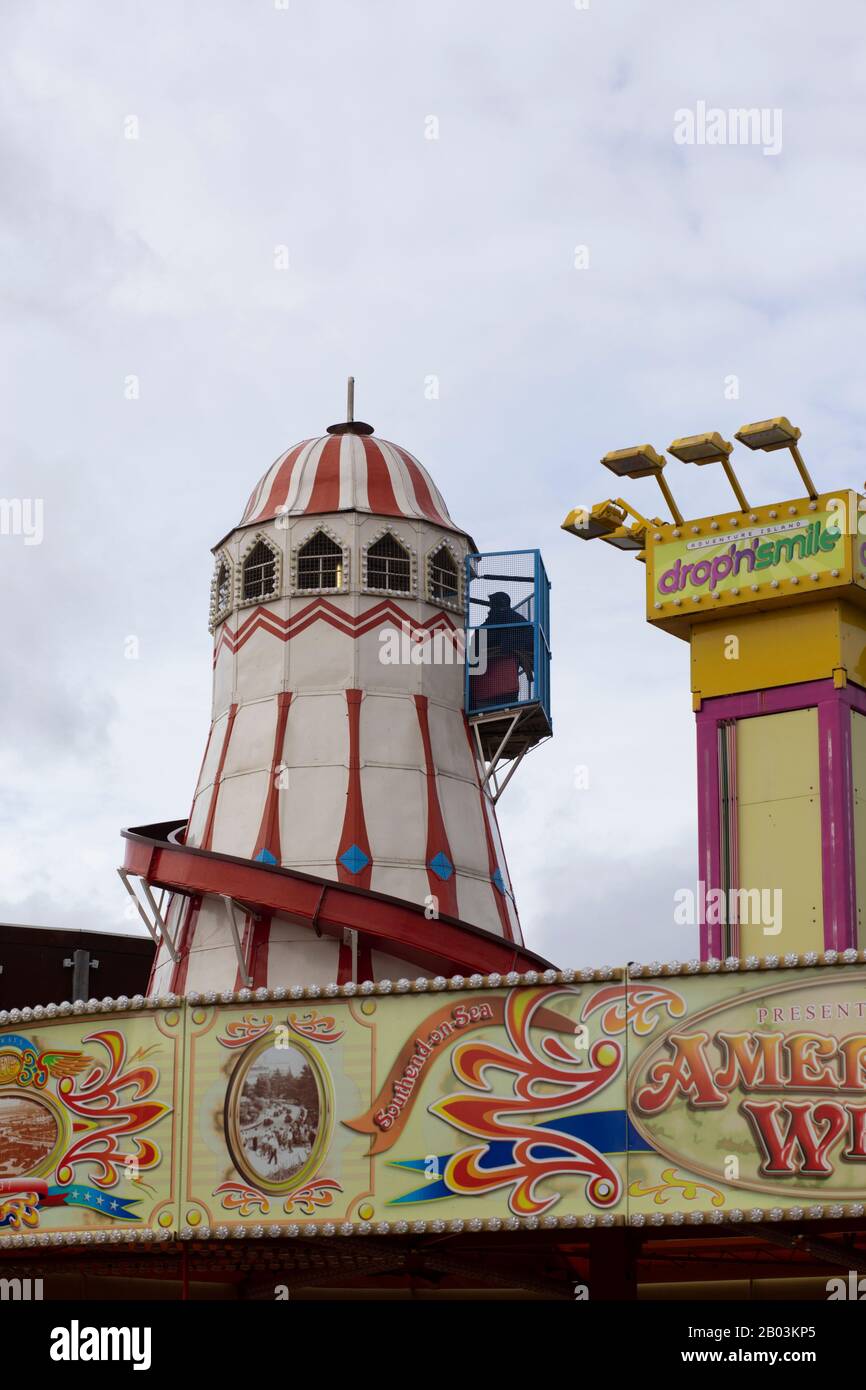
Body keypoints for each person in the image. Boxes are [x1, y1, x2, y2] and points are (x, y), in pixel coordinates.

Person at [471, 591, 534, 708]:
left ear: (498, 603)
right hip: (507, 657)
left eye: (492, 604)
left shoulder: (500, 617)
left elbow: (479, 634)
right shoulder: (515, 618)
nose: (490, 608)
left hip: (501, 658)